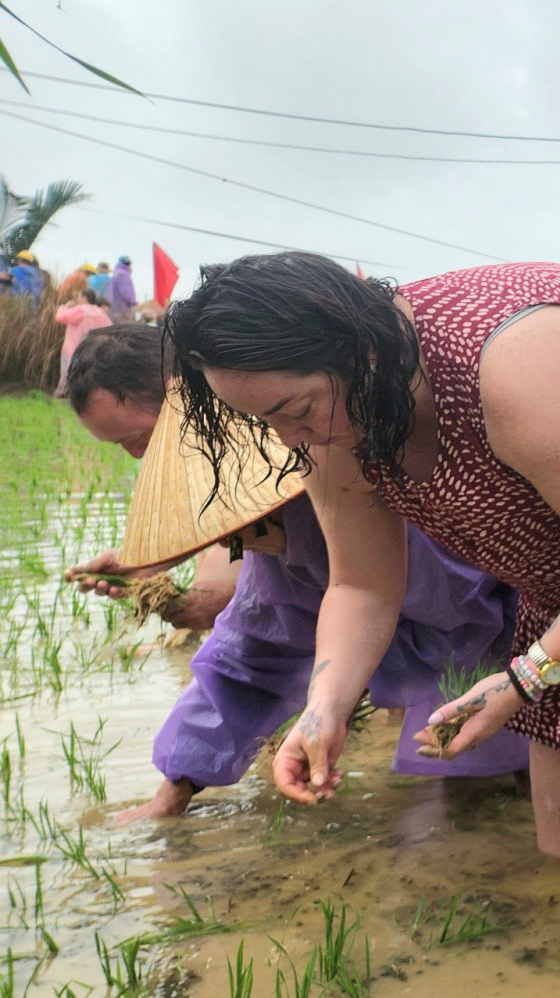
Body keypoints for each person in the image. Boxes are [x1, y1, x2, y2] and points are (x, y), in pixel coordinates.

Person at [164, 253, 560, 915]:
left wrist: (523, 677)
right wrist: (324, 708)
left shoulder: (511, 372)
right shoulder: (336, 426)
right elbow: (362, 587)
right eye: (264, 421)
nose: (291, 438)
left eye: (298, 409)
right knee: (554, 697)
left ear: (358, 351)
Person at [59, 324, 529, 820]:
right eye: (121, 447)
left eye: (140, 438)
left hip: (514, 650)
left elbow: (500, 608)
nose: (137, 458)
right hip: (448, 655)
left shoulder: (363, 478)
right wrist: (170, 797)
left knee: (488, 791)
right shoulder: (266, 538)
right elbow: (246, 658)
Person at [53, 287, 112, 396]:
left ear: (84, 298)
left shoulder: (80, 310)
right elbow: (109, 329)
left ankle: (63, 393)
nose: (78, 299)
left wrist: (64, 307)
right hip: (93, 349)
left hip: (73, 348)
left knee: (68, 372)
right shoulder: (100, 313)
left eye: (79, 296)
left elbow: (60, 318)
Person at [108, 255, 137, 321]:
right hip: (122, 309)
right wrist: (133, 302)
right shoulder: (123, 274)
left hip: (114, 308)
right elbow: (126, 293)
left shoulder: (116, 273)